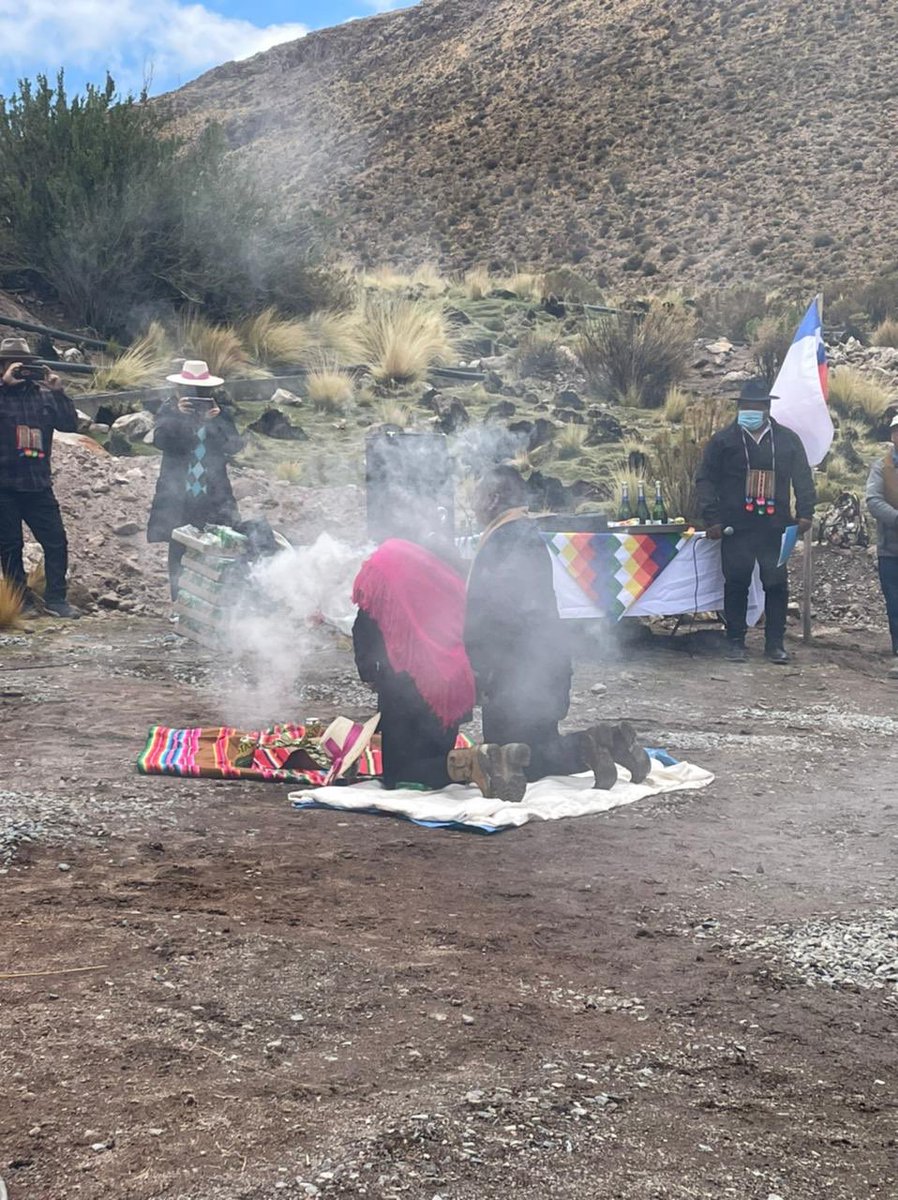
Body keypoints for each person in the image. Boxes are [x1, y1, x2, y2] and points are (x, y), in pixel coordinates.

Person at [464, 465, 650, 787]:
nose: (472, 504)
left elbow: (495, 613)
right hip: (544, 665)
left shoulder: (503, 541)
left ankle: (589, 746)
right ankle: (611, 744)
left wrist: (480, 667)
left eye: (478, 495)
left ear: (494, 499)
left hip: (515, 672)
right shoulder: (525, 534)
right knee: (540, 746)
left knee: (516, 758)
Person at [352, 537, 532, 802]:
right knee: (435, 755)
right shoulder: (447, 577)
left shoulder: (384, 572)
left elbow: (364, 628)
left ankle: (474, 761)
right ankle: (492, 761)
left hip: (409, 688)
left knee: (400, 774)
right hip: (452, 688)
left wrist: (370, 673)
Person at [696, 378, 816, 664]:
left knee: (775, 584)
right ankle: (735, 641)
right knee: (736, 582)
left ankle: (774, 643)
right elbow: (705, 480)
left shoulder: (788, 440)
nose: (748, 411)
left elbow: (803, 478)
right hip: (735, 526)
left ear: (766, 408)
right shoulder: (723, 440)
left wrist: (806, 512)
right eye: (744, 406)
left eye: (754, 406)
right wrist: (711, 517)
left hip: (776, 528)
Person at [147, 360, 243, 600]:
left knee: (218, 547)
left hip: (213, 494)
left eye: (202, 392)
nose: (197, 396)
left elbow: (234, 445)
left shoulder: (221, 414)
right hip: (179, 494)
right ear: (180, 390)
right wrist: (181, 418)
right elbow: (161, 440)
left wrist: (218, 422)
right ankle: (179, 601)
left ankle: (212, 600)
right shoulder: (169, 411)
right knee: (178, 547)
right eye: (191, 391)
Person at [0, 336, 81, 618]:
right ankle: (19, 602)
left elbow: (70, 425)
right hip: (4, 484)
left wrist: (59, 392)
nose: (20, 369)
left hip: (38, 483)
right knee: (11, 545)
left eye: (25, 365)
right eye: (12, 364)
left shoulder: (45, 394)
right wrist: (4, 385)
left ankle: (56, 599)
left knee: (56, 540)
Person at [864, 413, 898, 662]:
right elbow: (873, 500)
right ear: (892, 436)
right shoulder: (881, 467)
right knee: (895, 602)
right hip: (891, 548)